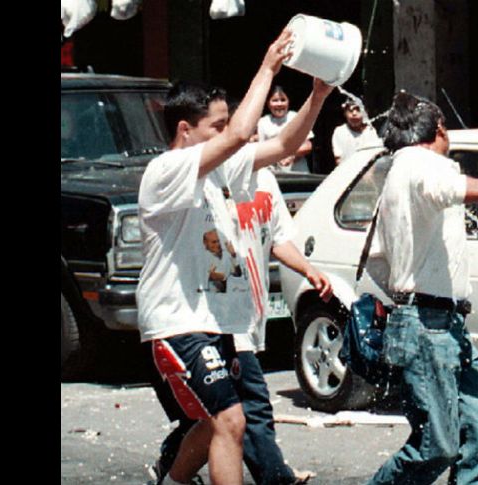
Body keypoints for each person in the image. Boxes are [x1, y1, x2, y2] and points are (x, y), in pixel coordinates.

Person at [137, 29, 334, 485]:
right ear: (186, 130)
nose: (229, 136)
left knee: (210, 426)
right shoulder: (165, 170)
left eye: (226, 126)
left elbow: (282, 146)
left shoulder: (219, 169)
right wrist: (268, 66)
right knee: (231, 422)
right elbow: (246, 131)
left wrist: (318, 98)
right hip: (178, 322)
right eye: (217, 127)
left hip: (217, 322)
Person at [364, 91, 478, 485]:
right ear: (439, 130)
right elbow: (450, 188)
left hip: (442, 323)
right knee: (438, 445)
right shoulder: (420, 164)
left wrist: (403, 293)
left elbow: (378, 260)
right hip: (427, 327)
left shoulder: (399, 173)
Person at [256, 85, 314, 173]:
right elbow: (260, 150)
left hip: (298, 173)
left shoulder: (296, 117)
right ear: (268, 103)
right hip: (272, 173)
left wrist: (292, 155)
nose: (279, 104)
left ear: (288, 101)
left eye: (283, 100)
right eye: (275, 100)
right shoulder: (263, 122)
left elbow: (307, 146)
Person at [331, 98, 381, 165]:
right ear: (345, 113)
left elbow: (374, 156)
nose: (354, 114)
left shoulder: (370, 131)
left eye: (358, 110)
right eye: (350, 111)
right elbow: (338, 158)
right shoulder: (340, 132)